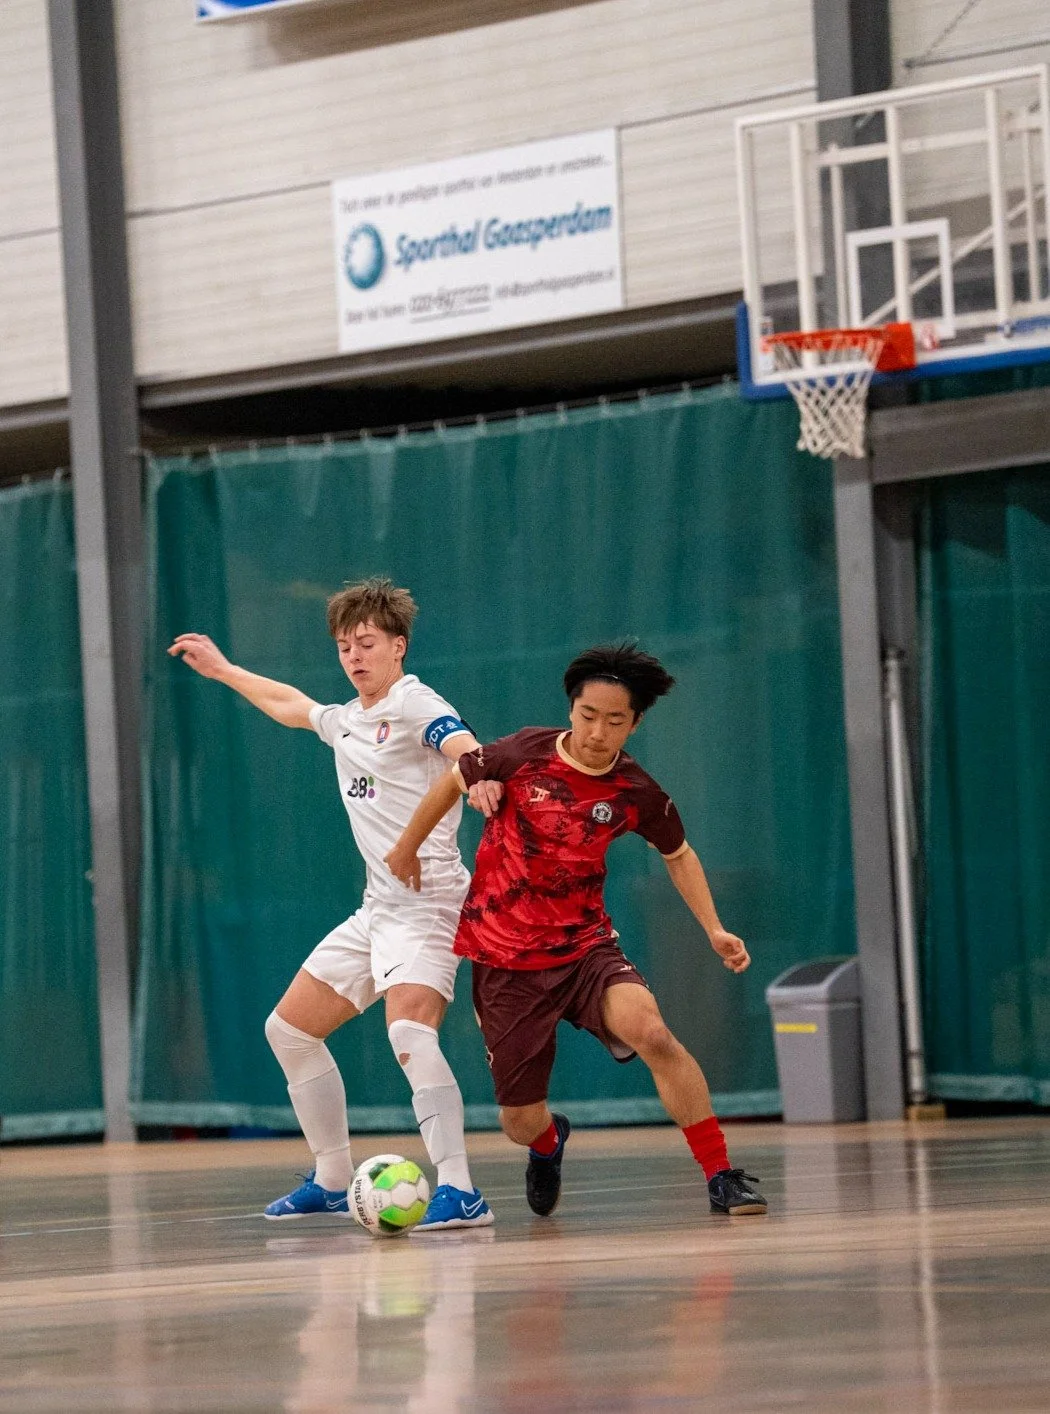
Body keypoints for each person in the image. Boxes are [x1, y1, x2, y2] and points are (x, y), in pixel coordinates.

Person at [385, 642, 766, 1218]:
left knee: (654, 1033)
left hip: (586, 951)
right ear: (571, 710)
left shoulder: (636, 792)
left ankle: (721, 1176)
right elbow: (450, 780)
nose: (597, 731)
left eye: (614, 721)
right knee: (518, 1123)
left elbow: (679, 854)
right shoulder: (519, 753)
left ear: (634, 724)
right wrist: (406, 849)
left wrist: (714, 928)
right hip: (504, 960)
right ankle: (548, 1141)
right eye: (589, 715)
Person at [169, 577, 493, 1230]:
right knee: (288, 1030)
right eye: (345, 645)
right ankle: (331, 1175)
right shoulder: (349, 720)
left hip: (429, 906)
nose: (354, 655)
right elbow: (293, 706)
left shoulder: (413, 701)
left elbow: (460, 742)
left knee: (407, 1031)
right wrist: (226, 669)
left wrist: (480, 773)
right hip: (377, 912)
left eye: (367, 642)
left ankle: (460, 1190)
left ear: (398, 646)